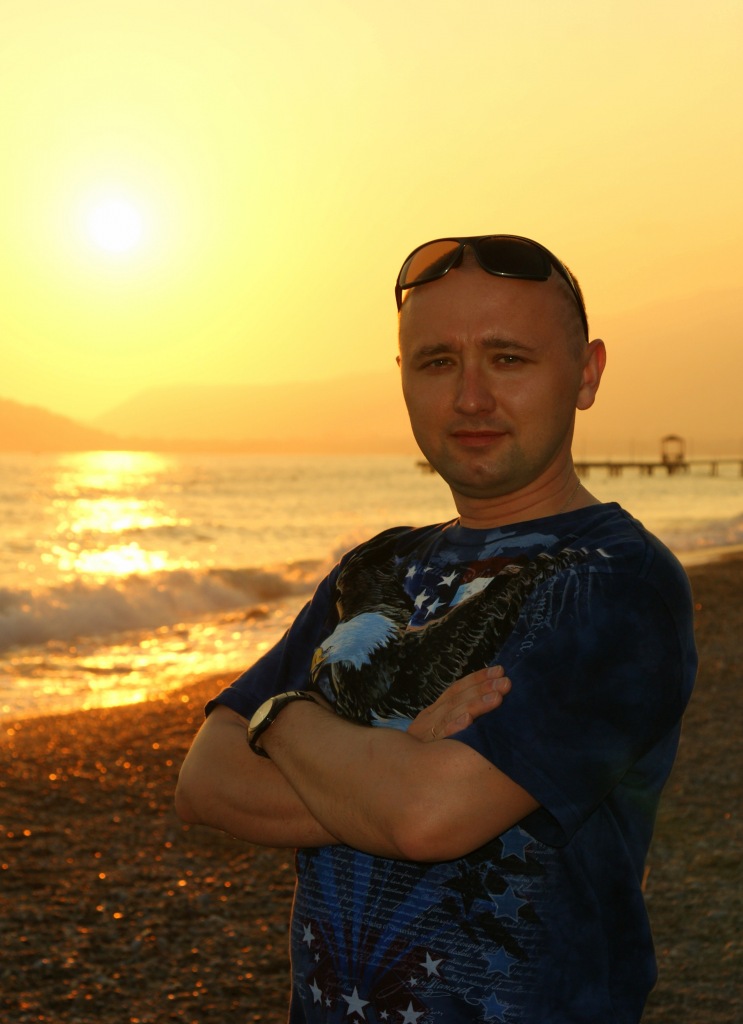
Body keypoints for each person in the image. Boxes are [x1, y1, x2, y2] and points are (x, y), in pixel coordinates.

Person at [176, 234, 697, 1023]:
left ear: (586, 374)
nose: (470, 397)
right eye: (436, 362)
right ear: (403, 379)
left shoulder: (614, 581)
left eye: (508, 358)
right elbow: (204, 780)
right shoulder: (374, 568)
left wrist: (282, 717)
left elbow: (428, 817)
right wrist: (396, 761)